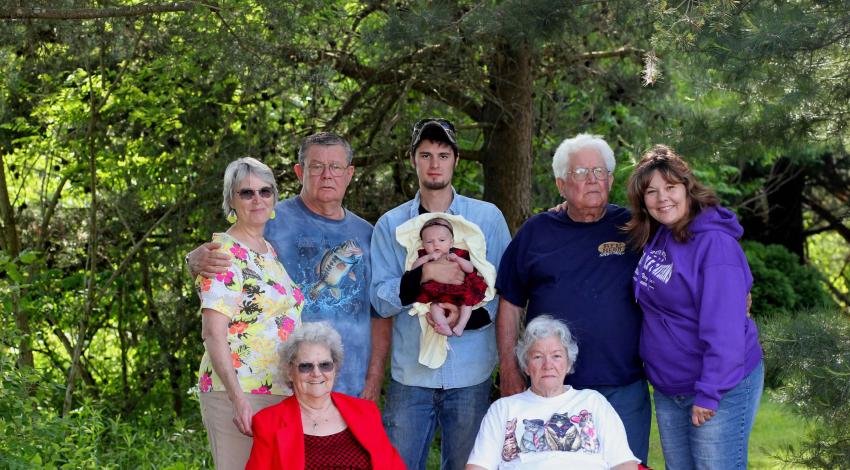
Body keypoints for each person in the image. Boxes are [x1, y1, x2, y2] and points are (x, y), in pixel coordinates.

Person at [188, 132, 391, 401]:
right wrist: (192, 260)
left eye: (336, 167)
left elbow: (380, 314)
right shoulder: (269, 219)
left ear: (350, 173)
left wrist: (374, 379)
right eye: (316, 166)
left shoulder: (368, 235)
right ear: (299, 172)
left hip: (352, 388)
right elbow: (228, 257)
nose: (327, 175)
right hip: (288, 387)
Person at [495, 134, 650, 464]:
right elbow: (509, 302)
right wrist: (509, 366)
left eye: (599, 171)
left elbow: (683, 246)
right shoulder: (536, 232)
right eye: (581, 173)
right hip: (555, 389)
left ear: (610, 179)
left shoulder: (636, 226)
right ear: (561, 184)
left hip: (623, 384)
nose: (592, 179)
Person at [371, 118, 511, 470]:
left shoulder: (487, 219)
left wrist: (459, 312)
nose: (435, 163)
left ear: (456, 161)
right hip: (411, 376)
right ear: (413, 159)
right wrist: (425, 275)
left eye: (443, 155)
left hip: (471, 374)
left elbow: (501, 293)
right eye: (426, 154)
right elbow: (379, 299)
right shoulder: (391, 225)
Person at [625, 145, 764, 470]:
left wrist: (710, 391)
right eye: (651, 192)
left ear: (688, 188)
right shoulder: (661, 235)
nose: (662, 199)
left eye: (670, 188)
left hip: (717, 386)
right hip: (669, 387)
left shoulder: (714, 245)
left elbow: (724, 329)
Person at [196, 157, 305, 470]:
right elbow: (213, 333)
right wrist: (237, 399)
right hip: (240, 392)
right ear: (232, 199)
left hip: (279, 390)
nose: (258, 199)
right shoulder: (224, 253)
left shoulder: (267, 250)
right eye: (247, 193)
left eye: (265, 191)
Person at [466, 316, 639, 470]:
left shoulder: (593, 402)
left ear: (569, 363)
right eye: (538, 356)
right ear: (526, 366)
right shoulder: (503, 409)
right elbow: (478, 466)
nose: (548, 365)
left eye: (556, 356)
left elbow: (623, 463)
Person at [246, 322, 405, 470]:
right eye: (306, 366)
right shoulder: (268, 422)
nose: (316, 373)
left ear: (335, 369)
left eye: (325, 365)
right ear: (289, 372)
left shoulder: (365, 411)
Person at [410, 217, 490, 337]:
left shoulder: (458, 254)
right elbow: (413, 270)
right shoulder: (424, 256)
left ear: (451, 242)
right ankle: (444, 327)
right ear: (423, 244)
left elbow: (470, 268)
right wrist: (427, 258)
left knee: (467, 303)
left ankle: (461, 325)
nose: (436, 244)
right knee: (435, 307)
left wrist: (458, 259)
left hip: (460, 289)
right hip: (438, 292)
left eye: (441, 240)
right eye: (429, 242)